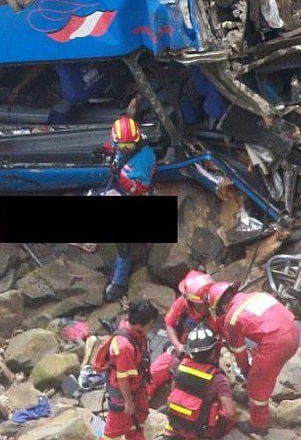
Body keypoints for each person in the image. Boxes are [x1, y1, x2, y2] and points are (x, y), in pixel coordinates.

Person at [206, 282, 299, 434]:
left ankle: (258, 425)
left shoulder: (232, 318)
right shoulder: (256, 295)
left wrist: (246, 372)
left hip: (276, 344)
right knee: (258, 361)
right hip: (293, 331)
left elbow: (240, 351)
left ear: (221, 306)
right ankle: (251, 394)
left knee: (258, 383)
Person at [103, 116, 157, 302]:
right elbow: (114, 147)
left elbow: (140, 188)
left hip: (137, 193)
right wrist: (105, 150)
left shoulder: (145, 157)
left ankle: (119, 283)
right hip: (119, 185)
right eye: (121, 145)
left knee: (124, 246)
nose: (125, 149)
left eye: (128, 146)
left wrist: (123, 178)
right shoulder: (123, 145)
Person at [148, 270, 216, 397]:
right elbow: (169, 324)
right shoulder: (184, 303)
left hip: (205, 356)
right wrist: (178, 346)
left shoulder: (215, 313)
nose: (185, 297)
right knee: (154, 374)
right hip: (182, 348)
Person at [96, 300, 158, 440]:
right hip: (125, 394)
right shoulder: (124, 346)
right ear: (146, 323)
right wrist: (129, 401)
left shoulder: (135, 333)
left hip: (138, 387)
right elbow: (123, 378)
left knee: (138, 422)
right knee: (112, 431)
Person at [164, 324, 238, 440]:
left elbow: (173, 390)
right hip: (200, 430)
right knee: (228, 420)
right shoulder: (218, 378)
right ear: (213, 351)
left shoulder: (180, 365)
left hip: (176, 422)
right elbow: (230, 413)